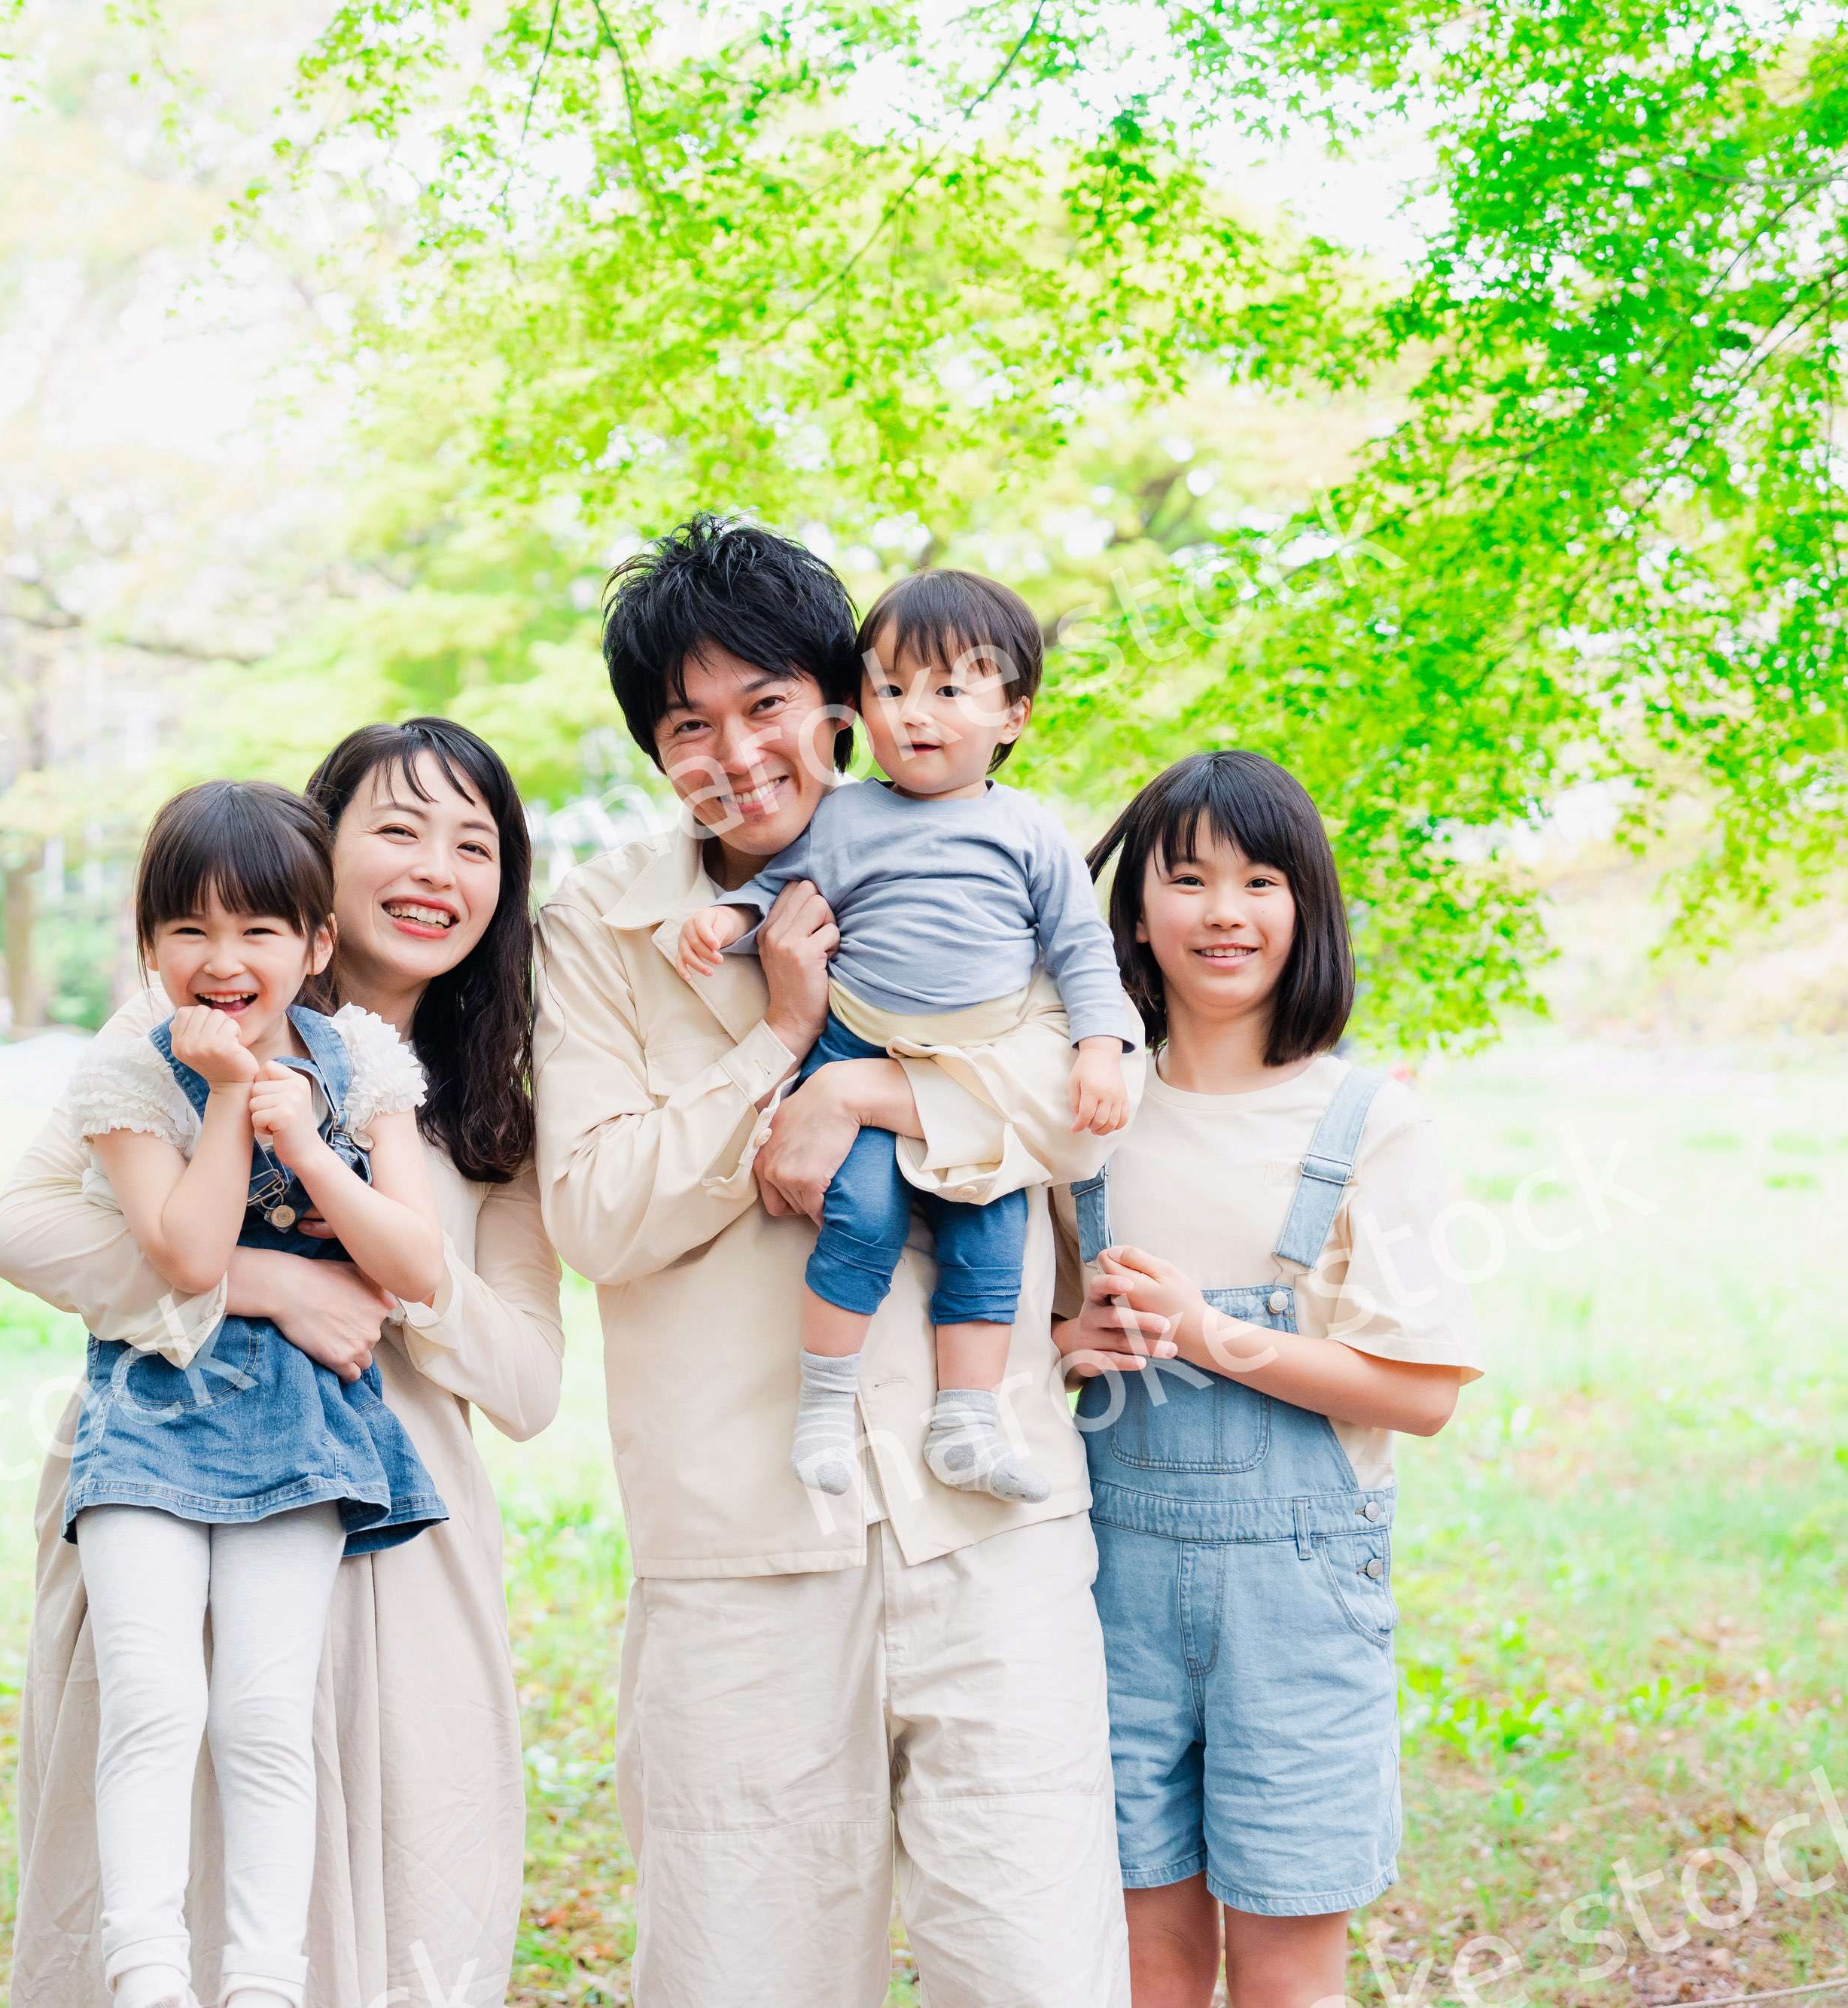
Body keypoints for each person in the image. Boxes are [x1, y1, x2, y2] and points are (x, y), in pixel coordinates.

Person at [536, 514, 1131, 2007]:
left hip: (983, 1516)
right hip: (742, 1536)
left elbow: (1075, 1103)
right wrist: (776, 1045)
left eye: (766, 705)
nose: (735, 755)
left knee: (1036, 1958)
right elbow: (597, 1211)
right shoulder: (602, 927)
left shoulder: (980, 858)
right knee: (747, 1971)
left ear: (839, 704)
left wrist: (866, 1092)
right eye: (687, 726)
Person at [0, 720, 562, 2008]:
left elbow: (526, 1383)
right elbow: (23, 1227)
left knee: (408, 1924)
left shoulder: (480, 1095)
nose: (435, 871)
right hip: (177, 1484)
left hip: (401, 1539)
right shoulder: (185, 1016)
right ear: (323, 860)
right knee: (167, 1882)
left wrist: (390, 1276)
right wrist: (276, 1281)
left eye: (474, 844)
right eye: (398, 830)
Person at [1053, 751, 1482, 2008]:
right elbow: (1020, 1332)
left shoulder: (1366, 1121)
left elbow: (1421, 1389)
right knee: (1145, 1950)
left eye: (1260, 880)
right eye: (1186, 880)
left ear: (1307, 910)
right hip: (1109, 1581)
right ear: (1138, 913)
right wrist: (1066, 1343)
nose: (1224, 911)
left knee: (1289, 1959)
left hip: (1298, 1604)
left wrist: (1209, 1332)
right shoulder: (1087, 1112)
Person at [50, 777, 448, 2008]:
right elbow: (186, 1255)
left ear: (318, 944)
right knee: (156, 1697)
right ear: (149, 943)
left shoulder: (362, 1057)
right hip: (151, 1424)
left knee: (271, 1714)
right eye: (190, 931)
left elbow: (418, 1267)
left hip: (302, 1431)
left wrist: (312, 1143)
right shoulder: (128, 1068)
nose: (224, 961)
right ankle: (147, 1971)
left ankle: (265, 1981)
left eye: (259, 930)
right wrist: (227, 1097)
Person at [675, 568, 1137, 1504]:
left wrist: (1096, 1047)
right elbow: (775, 896)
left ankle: (965, 1422)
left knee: (992, 1234)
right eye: (887, 688)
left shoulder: (1030, 832)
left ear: (1014, 715)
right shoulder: (845, 815)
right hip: (856, 1048)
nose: (910, 712)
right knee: (862, 1220)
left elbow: (1083, 947)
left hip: (977, 1066)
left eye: (947, 690)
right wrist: (727, 925)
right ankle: (822, 1408)